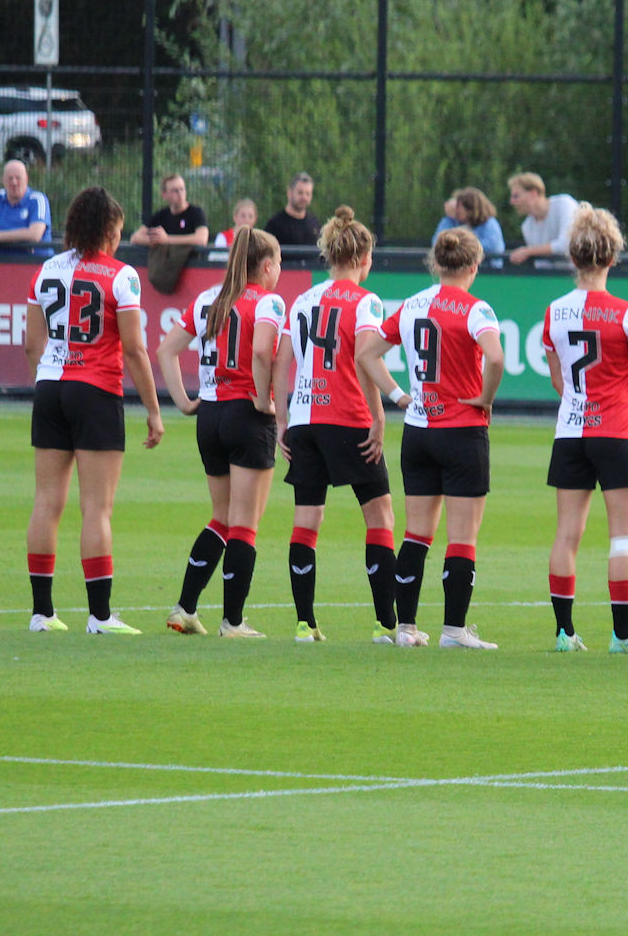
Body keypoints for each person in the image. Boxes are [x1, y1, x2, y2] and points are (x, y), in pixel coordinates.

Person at [23, 187, 165, 634]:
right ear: (108, 231)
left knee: (46, 502)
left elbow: (31, 344)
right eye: (118, 232)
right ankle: (100, 616)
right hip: (96, 391)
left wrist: (49, 378)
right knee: (96, 509)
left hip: (49, 387)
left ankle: (42, 613)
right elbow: (136, 350)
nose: (120, 240)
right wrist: (154, 411)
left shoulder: (45, 271)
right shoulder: (121, 276)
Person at [358, 227, 506, 650]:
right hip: (462, 430)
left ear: (437, 264)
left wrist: (398, 395)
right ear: (474, 266)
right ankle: (454, 631)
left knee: (416, 534)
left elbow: (367, 353)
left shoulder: (412, 305)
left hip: (419, 431)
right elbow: (495, 357)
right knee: (462, 537)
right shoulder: (477, 309)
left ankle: (406, 629)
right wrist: (486, 397)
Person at [540, 204, 628, 654]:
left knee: (566, 534)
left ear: (573, 259)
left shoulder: (554, 313)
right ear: (612, 258)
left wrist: (578, 403)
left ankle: (563, 632)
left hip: (571, 431)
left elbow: (557, 379)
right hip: (617, 430)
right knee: (624, 534)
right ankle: (623, 635)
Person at [272, 205, 397, 643]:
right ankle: (387, 625)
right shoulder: (366, 301)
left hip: (304, 419)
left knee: (306, 519)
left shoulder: (303, 299)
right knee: (380, 516)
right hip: (347, 418)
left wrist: (283, 418)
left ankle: (305, 623)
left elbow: (282, 360)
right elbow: (367, 356)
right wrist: (379, 417)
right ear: (364, 259)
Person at [155, 227, 285, 639]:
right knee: (244, 524)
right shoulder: (268, 302)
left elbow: (166, 349)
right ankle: (233, 621)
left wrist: (183, 400)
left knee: (222, 518)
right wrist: (265, 399)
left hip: (209, 415)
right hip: (246, 414)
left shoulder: (209, 298)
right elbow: (264, 350)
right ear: (265, 266)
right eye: (278, 264)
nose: (279, 271)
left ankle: (185, 608)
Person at [0, 159, 53, 257]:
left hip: (34, 265)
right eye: (10, 178)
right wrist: (19, 235)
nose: (14, 182)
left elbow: (34, 235)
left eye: (18, 178)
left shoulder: (38, 200)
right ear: (3, 180)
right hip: (0, 264)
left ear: (26, 179)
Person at [506, 172, 581, 265]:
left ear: (533, 194)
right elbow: (542, 263)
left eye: (516, 196)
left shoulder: (565, 204)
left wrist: (527, 251)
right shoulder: (527, 226)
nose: (512, 201)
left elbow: (566, 244)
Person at [131, 174, 208, 247]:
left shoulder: (196, 213)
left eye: (182, 189)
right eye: (174, 190)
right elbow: (135, 238)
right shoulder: (161, 215)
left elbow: (202, 239)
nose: (180, 193)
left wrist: (167, 239)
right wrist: (155, 240)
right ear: (164, 195)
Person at [433, 187, 505, 260]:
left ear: (470, 209)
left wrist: (461, 245)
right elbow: (437, 243)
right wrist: (450, 218)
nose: (456, 209)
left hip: (488, 269)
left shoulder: (489, 224)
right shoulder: (451, 221)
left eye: (459, 206)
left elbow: (493, 247)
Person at [264, 172, 321, 246]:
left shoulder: (314, 223)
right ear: (289, 192)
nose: (304, 197)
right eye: (300, 193)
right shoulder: (275, 224)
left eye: (308, 193)